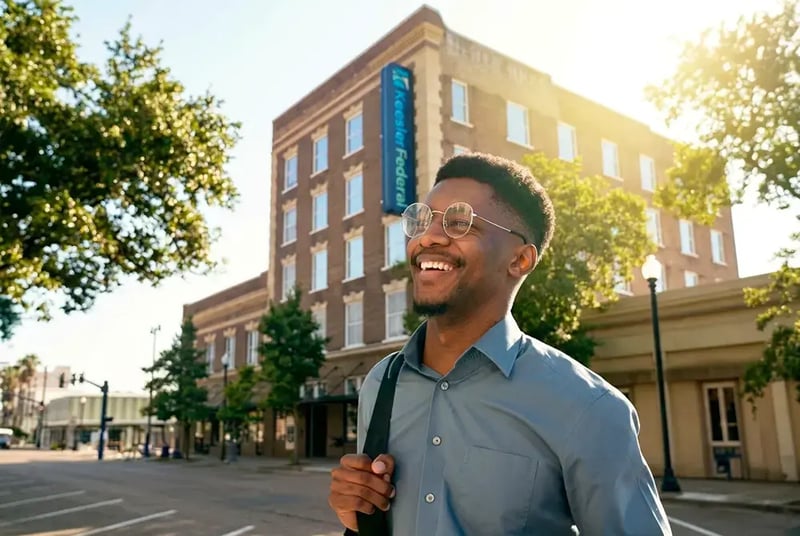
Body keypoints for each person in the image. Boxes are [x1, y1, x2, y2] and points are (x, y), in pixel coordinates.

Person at [328, 152, 672, 535]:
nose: (428, 237)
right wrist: (356, 512)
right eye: (423, 220)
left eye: (460, 222)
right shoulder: (380, 383)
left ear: (520, 260)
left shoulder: (589, 409)